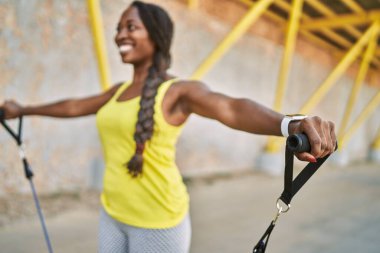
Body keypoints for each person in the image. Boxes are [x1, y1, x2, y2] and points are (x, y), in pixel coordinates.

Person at [0, 1, 336, 252]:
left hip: (159, 223)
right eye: (118, 27)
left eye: (131, 26)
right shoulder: (116, 92)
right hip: (112, 213)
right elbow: (73, 106)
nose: (120, 34)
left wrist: (288, 123)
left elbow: (230, 108)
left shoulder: (178, 91)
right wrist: (23, 109)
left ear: (156, 36)